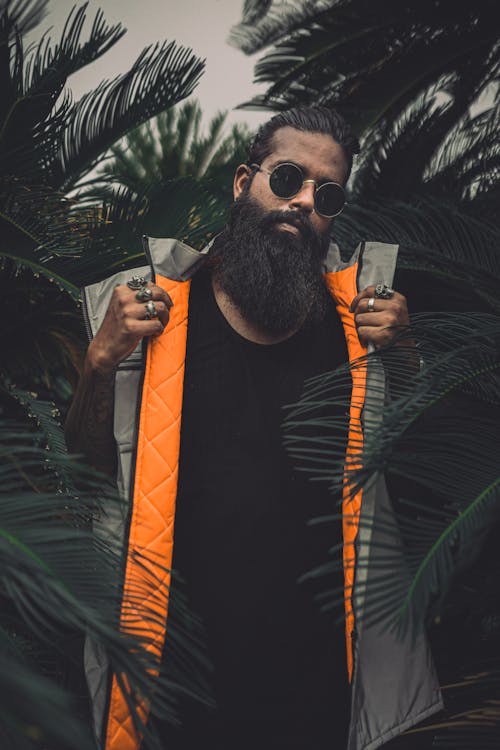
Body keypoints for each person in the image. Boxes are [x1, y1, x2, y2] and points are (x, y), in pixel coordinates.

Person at [65, 107, 443, 750]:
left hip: (320, 691)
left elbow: (422, 472)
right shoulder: (156, 321)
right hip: (176, 687)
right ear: (244, 183)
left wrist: (406, 356)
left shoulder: (363, 331)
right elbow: (85, 468)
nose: (303, 203)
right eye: (288, 177)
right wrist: (100, 363)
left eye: (326, 194)